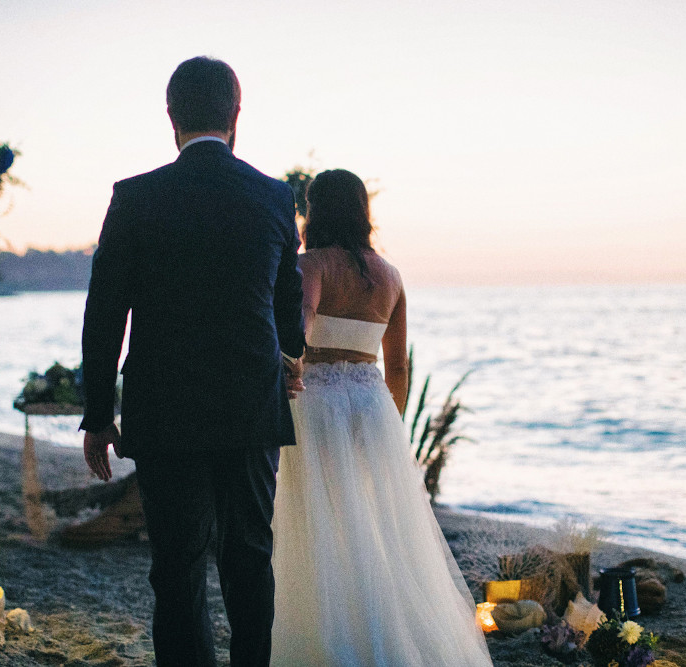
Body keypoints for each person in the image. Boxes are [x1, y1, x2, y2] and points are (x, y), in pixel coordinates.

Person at [79, 56, 306, 667]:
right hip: (249, 406)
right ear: (235, 116)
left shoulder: (135, 198)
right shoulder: (274, 197)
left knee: (176, 567)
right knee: (250, 559)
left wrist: (98, 413)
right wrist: (292, 357)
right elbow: (288, 301)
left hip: (164, 407)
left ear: (172, 118)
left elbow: (105, 313)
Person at [270, 169, 492, 666]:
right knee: (373, 529)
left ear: (315, 212)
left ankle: (331, 641)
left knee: (317, 526)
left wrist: (292, 356)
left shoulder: (310, 266)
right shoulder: (390, 276)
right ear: (362, 213)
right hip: (372, 408)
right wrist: (387, 428)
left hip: (317, 404)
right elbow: (399, 366)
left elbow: (301, 322)